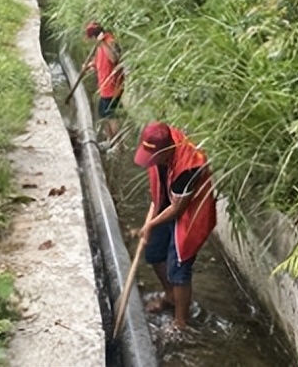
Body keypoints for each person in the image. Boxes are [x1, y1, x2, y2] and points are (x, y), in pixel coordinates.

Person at [134, 121, 217, 330]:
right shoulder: (159, 138)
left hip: (190, 215)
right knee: (153, 252)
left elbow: (178, 209)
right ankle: (170, 296)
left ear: (166, 151)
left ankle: (181, 323)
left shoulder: (189, 167)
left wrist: (149, 224)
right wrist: (151, 222)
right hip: (166, 203)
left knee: (178, 267)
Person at [81, 21, 124, 142]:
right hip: (105, 87)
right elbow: (100, 60)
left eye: (91, 38)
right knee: (103, 113)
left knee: (111, 116)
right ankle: (111, 139)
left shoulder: (109, 42)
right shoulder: (100, 46)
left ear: (95, 36)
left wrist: (102, 43)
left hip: (112, 87)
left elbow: (114, 58)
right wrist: (89, 65)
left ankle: (117, 143)